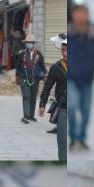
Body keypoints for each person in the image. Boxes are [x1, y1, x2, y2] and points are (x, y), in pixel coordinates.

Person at [68, 5, 94, 151]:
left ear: (87, 15)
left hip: (88, 78)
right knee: (72, 105)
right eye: (78, 14)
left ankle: (81, 138)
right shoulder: (68, 32)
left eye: (83, 14)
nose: (81, 17)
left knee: (86, 110)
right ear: (73, 15)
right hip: (70, 77)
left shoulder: (93, 33)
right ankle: (73, 137)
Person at [39, 33, 68, 161]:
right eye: (63, 50)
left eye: (67, 49)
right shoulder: (56, 67)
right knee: (62, 141)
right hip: (63, 108)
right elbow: (47, 86)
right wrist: (42, 105)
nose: (65, 52)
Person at [15, 33, 46, 124]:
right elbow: (18, 66)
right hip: (24, 78)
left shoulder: (39, 54)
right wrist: (17, 77)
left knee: (33, 97)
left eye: (30, 42)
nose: (29, 44)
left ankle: (31, 115)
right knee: (26, 96)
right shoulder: (22, 54)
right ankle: (26, 115)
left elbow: (43, 66)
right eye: (27, 42)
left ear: (33, 43)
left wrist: (44, 75)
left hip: (35, 79)